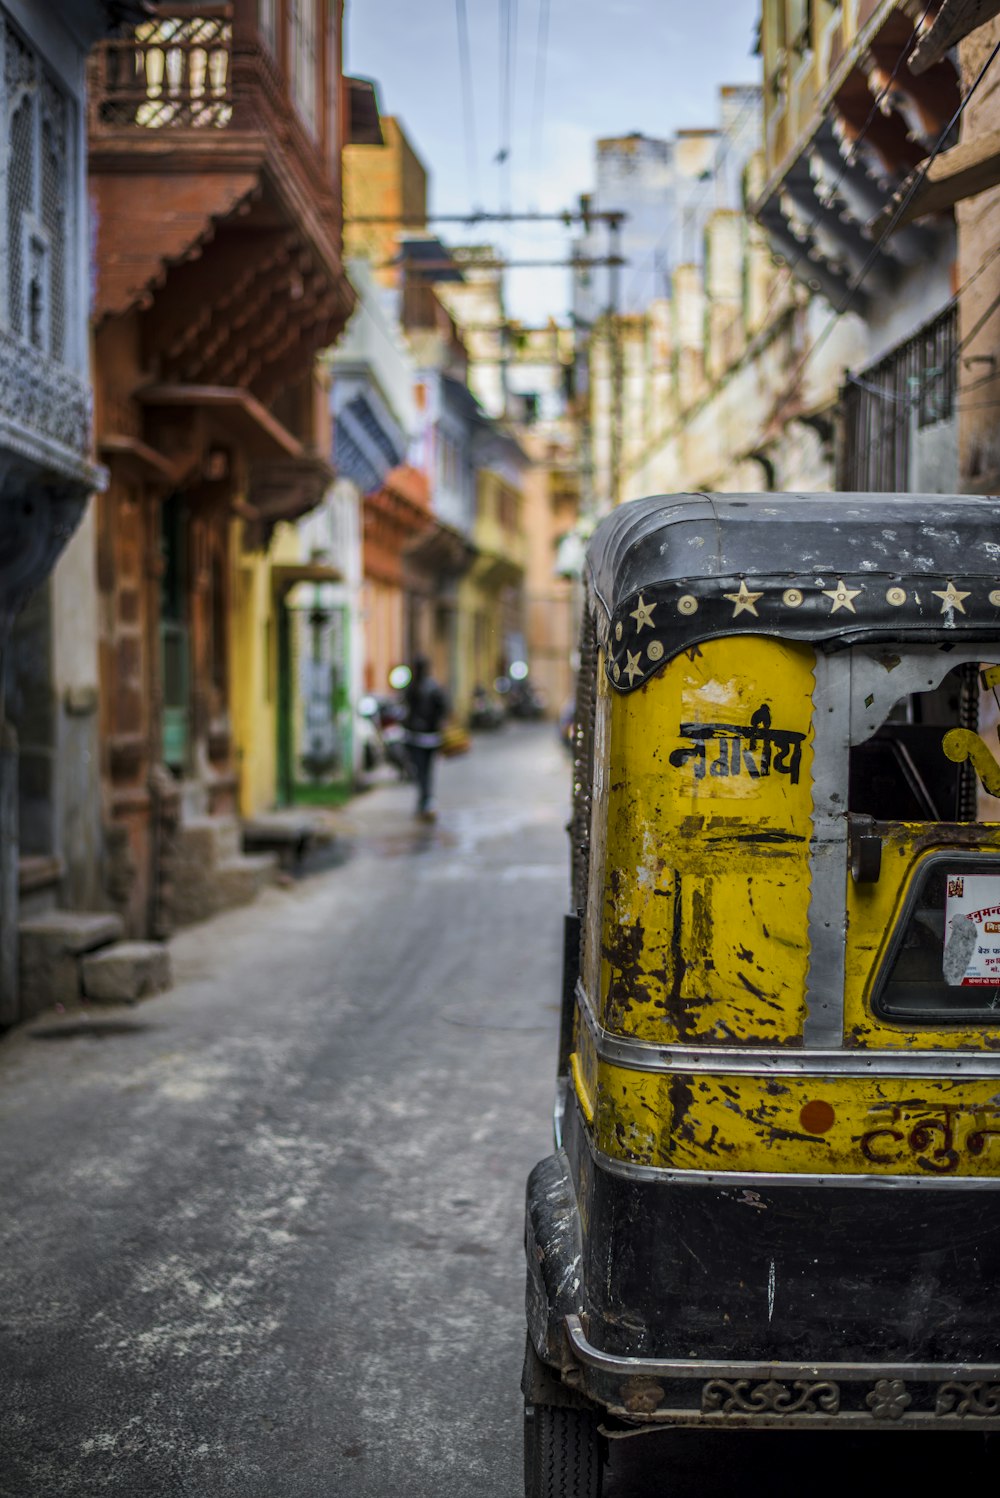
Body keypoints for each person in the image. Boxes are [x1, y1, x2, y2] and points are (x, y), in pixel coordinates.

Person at [403, 656, 448, 821]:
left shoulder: (415, 687)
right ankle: (426, 800)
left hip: (420, 738)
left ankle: (425, 800)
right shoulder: (431, 687)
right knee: (425, 771)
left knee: (421, 771)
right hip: (426, 738)